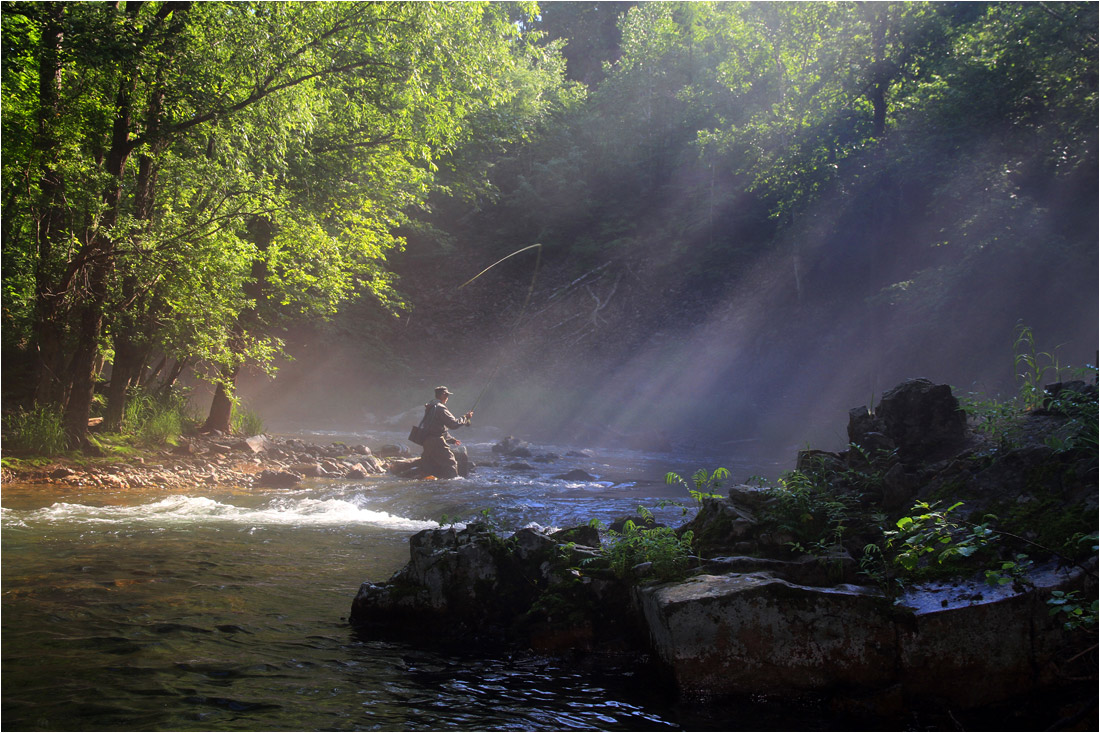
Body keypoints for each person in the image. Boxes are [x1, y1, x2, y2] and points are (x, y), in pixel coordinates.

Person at [418, 386, 473, 479]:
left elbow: (437, 426)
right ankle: (452, 484)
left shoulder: (431, 406)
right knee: (450, 462)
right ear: (443, 395)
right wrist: (466, 417)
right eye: (447, 395)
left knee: (429, 464)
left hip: (427, 440)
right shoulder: (440, 408)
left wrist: (451, 440)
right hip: (436, 441)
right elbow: (453, 424)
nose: (447, 398)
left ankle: (427, 484)